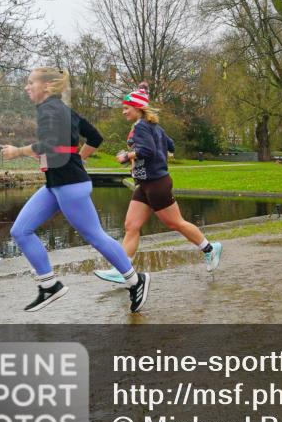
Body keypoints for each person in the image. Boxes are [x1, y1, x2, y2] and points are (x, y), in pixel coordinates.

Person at [1, 67, 150, 313]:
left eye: (30, 83)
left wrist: (17, 151)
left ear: (46, 87)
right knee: (20, 230)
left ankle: (136, 281)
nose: (26, 87)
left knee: (95, 236)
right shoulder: (64, 110)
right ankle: (49, 285)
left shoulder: (51, 110)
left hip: (69, 185)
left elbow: (50, 144)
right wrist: (78, 157)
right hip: (56, 185)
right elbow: (94, 137)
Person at [94, 83, 223, 283]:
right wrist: (153, 153)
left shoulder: (141, 127)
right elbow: (170, 146)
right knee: (131, 225)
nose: (123, 111)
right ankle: (123, 270)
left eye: (126, 108)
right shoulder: (153, 126)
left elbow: (148, 150)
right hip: (145, 183)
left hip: (156, 184)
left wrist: (127, 156)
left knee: (175, 223)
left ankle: (210, 248)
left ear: (137, 108)